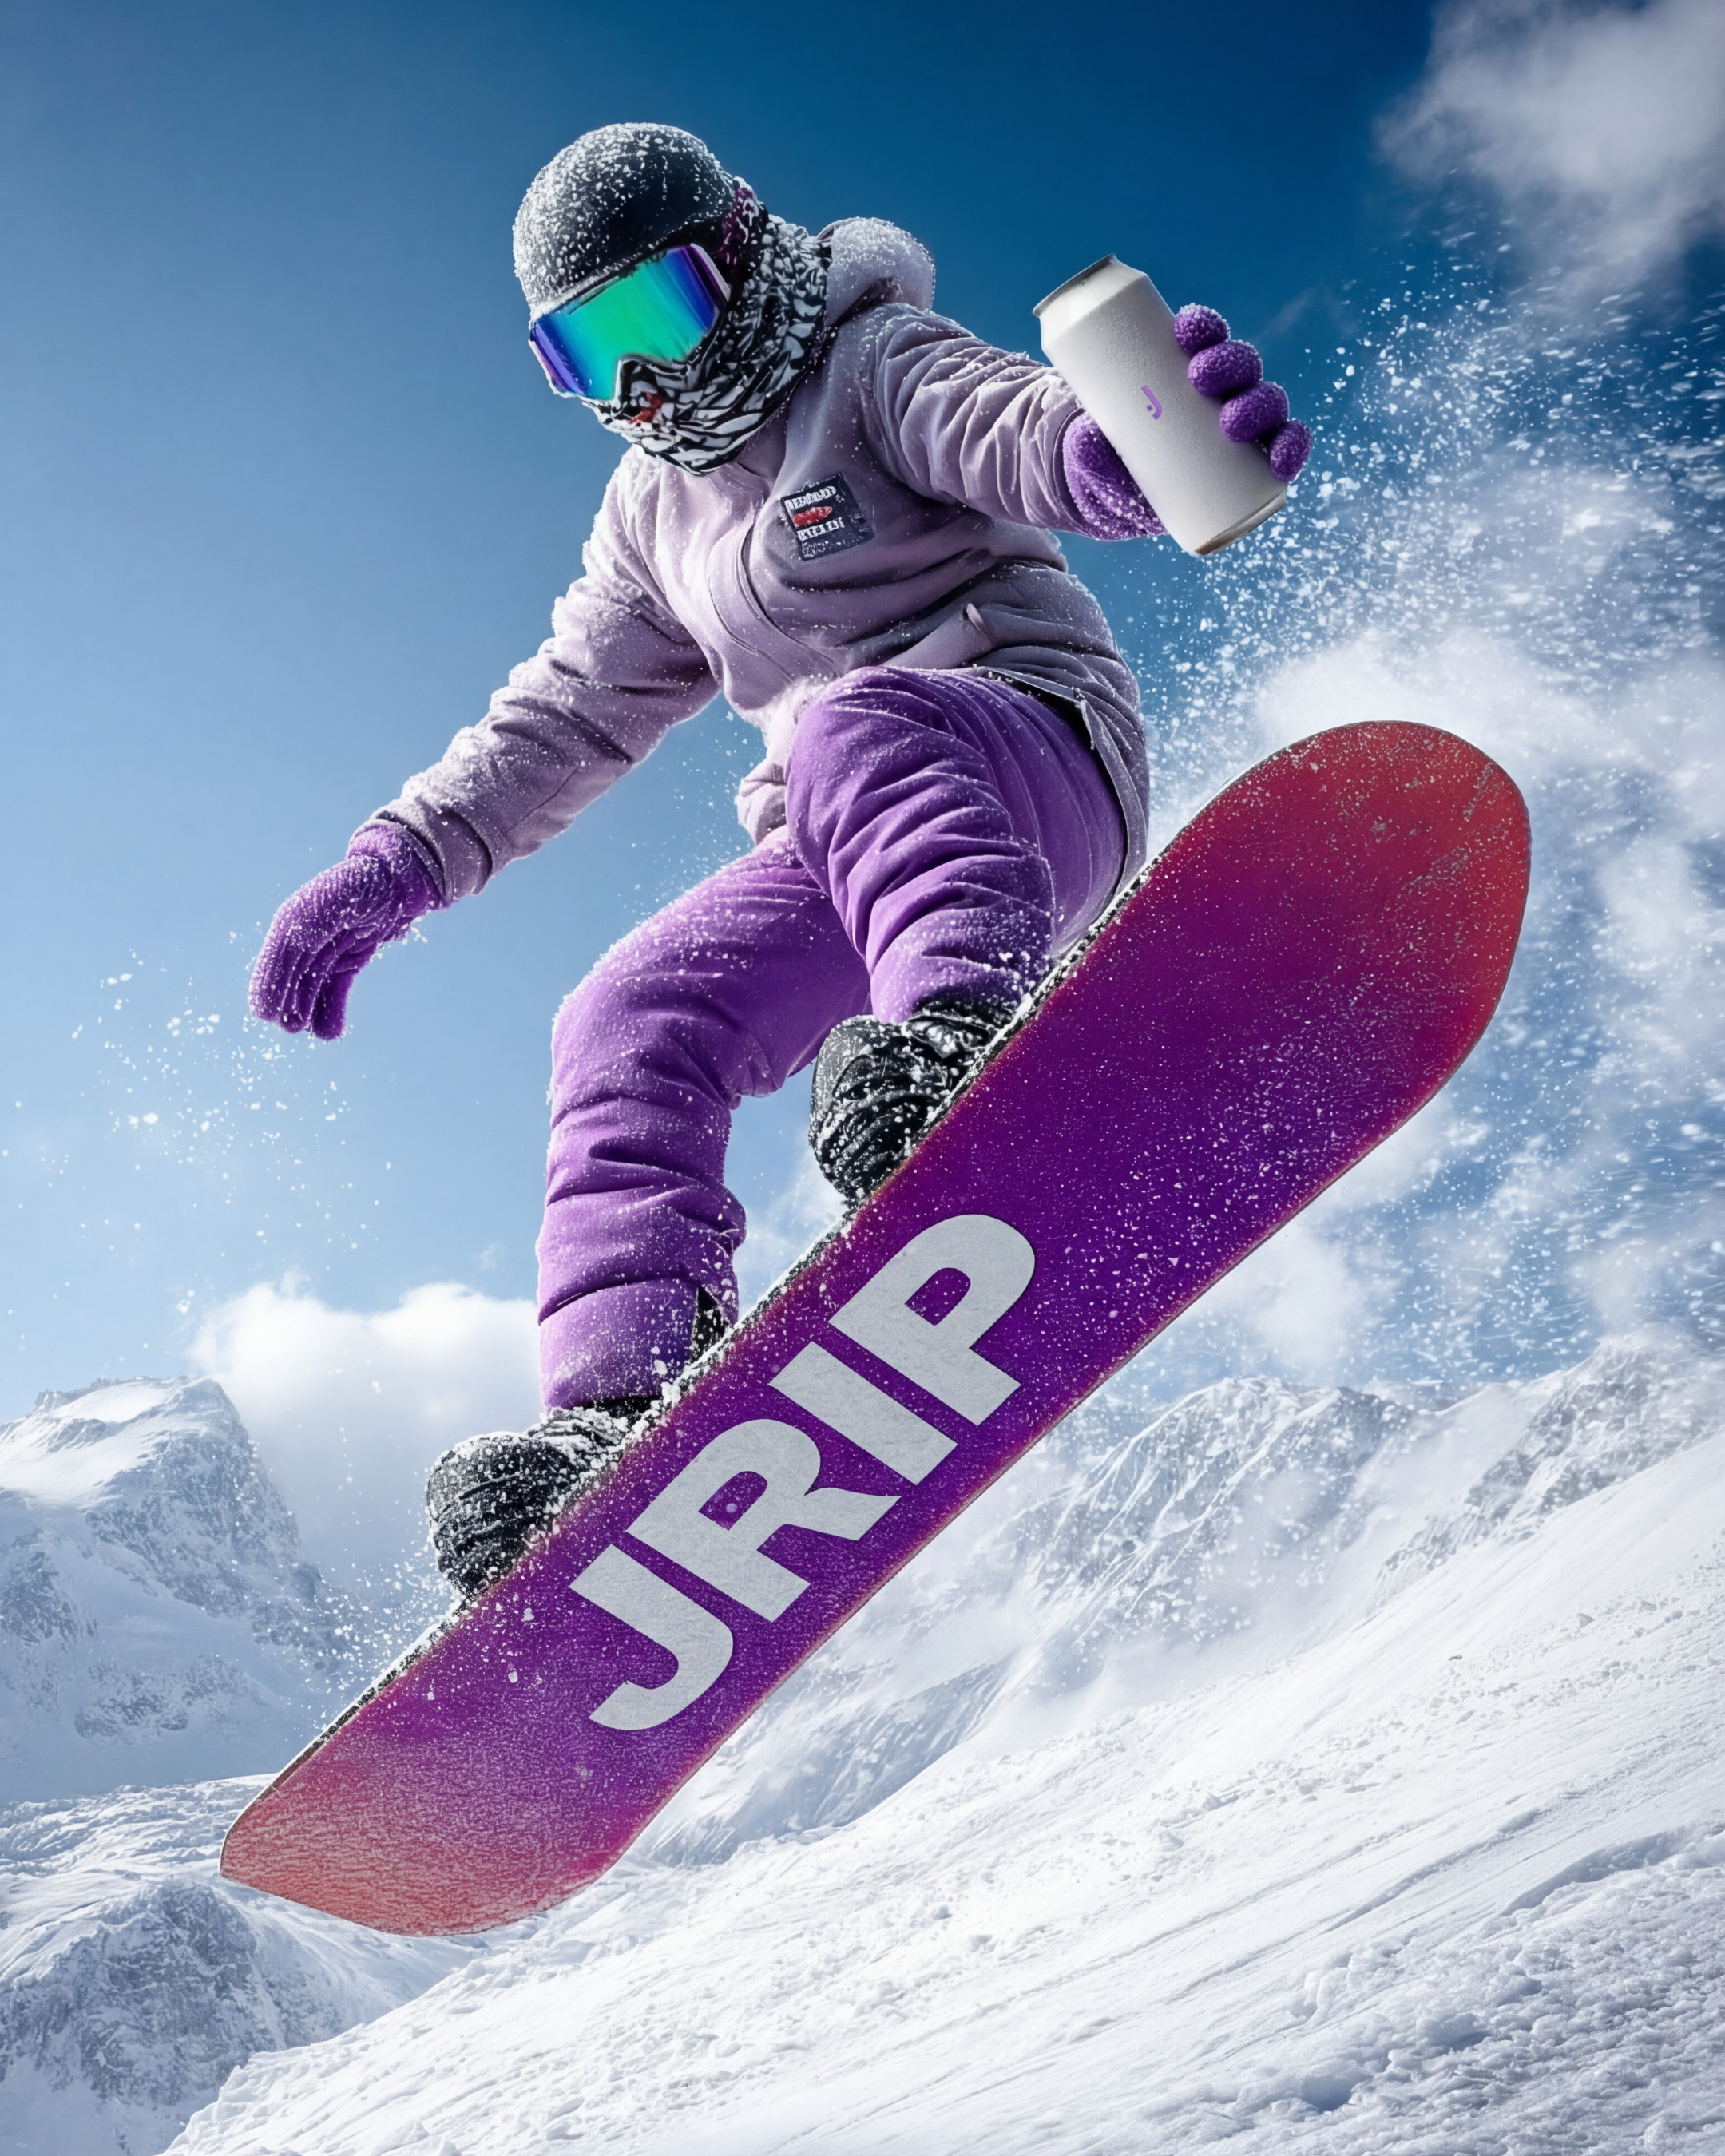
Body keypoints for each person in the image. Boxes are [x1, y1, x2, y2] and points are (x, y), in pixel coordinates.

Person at [249, 123, 1311, 1599]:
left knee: (853, 726)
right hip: (850, 850)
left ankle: (967, 1041)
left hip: (1027, 764)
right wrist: (401, 861)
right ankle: (620, 1411)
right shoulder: (650, 519)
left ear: (739, 256)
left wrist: (1108, 449)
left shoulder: (866, 363)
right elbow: (566, 712)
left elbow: (1003, 424)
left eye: (655, 314)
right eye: (586, 355)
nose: (638, 381)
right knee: (625, 1016)